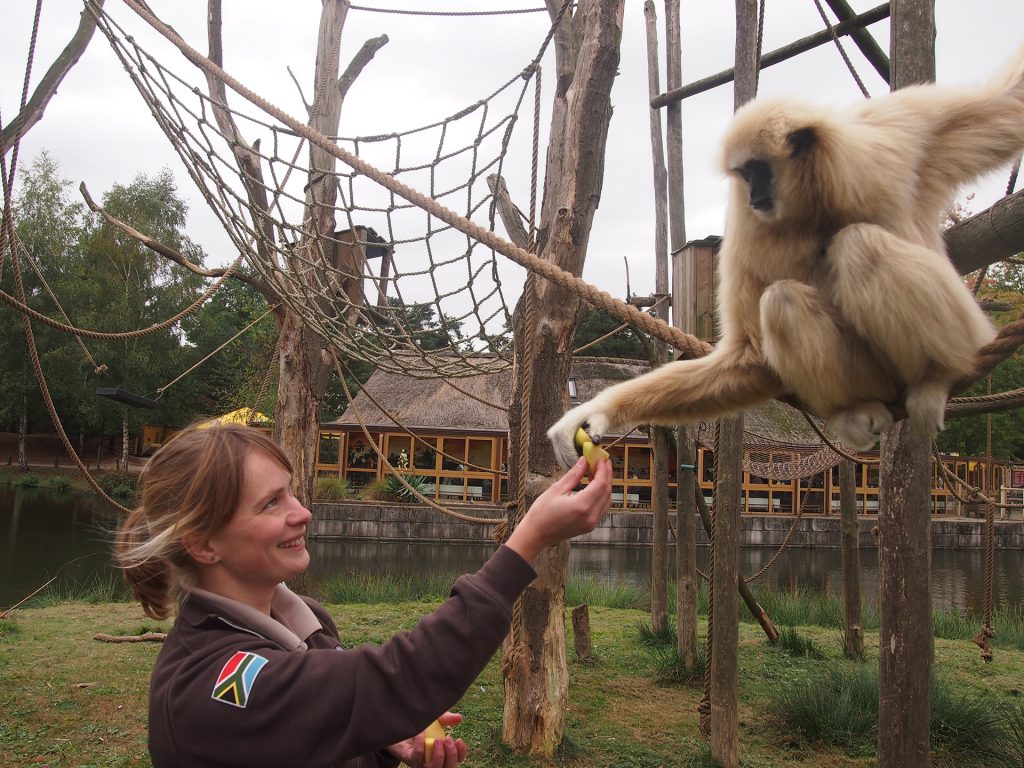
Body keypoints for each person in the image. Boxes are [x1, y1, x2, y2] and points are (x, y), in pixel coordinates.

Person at [116, 422, 612, 768]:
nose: (303, 512)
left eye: (290, 491)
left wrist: (378, 743)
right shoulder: (214, 684)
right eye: (271, 503)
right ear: (203, 545)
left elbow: (308, 733)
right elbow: (393, 679)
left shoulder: (304, 621)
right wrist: (528, 541)